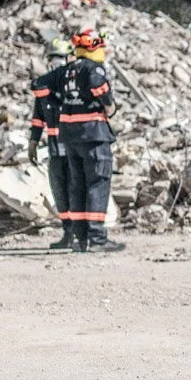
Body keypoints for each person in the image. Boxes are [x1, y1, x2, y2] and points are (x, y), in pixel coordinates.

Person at [55, 28, 124, 253]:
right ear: (93, 47)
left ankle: (80, 237)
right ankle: (97, 237)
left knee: (78, 185)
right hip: (93, 134)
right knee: (97, 182)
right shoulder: (93, 68)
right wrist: (110, 106)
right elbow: (102, 91)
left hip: (69, 136)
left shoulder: (67, 71)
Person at [29, 38, 76, 250]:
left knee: (77, 190)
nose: (56, 64)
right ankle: (67, 232)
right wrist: (33, 142)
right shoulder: (43, 87)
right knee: (60, 191)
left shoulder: (75, 86)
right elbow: (38, 117)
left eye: (60, 60)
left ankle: (82, 233)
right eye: (53, 60)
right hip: (56, 149)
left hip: (76, 149)